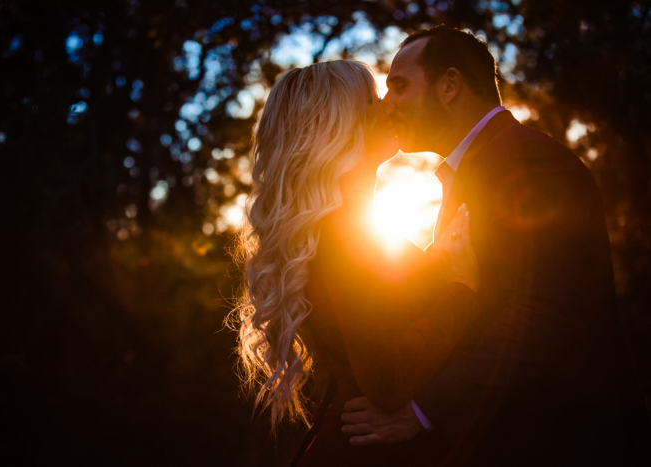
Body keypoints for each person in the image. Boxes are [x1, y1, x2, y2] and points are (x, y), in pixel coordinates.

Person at [339, 25, 651, 466]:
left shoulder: (530, 162)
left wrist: (424, 410)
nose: (387, 103)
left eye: (400, 86)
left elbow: (543, 311)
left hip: (564, 440)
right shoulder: (481, 166)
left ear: (450, 85)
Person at [229, 60, 482, 466]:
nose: (387, 106)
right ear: (338, 125)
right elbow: (386, 377)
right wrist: (461, 291)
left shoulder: (347, 226)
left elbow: (382, 314)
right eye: (371, 99)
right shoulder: (343, 233)